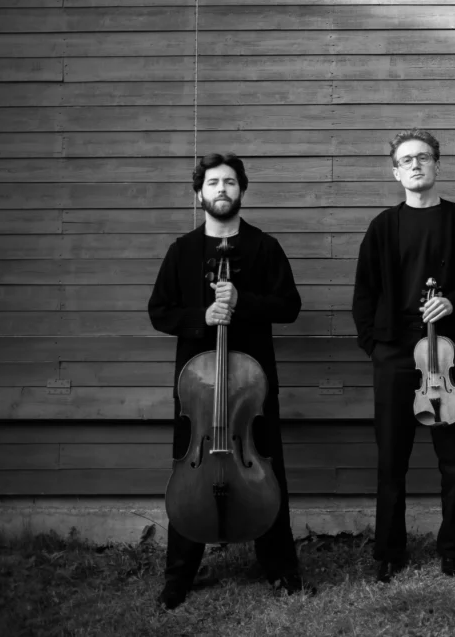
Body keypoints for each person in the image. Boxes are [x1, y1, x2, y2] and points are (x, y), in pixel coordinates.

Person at [148, 153, 306, 609]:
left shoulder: (264, 247)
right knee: (187, 476)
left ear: (242, 191)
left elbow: (289, 306)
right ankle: (178, 576)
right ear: (199, 193)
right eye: (213, 182)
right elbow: (159, 311)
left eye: (230, 182)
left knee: (267, 471)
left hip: (249, 391)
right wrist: (202, 317)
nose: (222, 189)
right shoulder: (182, 250)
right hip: (196, 391)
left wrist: (243, 301)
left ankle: (281, 569)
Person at [351, 129, 455, 582]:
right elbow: (363, 296)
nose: (416, 165)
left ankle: (454, 549)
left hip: (446, 357)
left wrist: (452, 302)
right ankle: (389, 552)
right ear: (395, 171)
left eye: (424, 157)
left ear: (438, 165)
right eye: (406, 160)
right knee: (392, 459)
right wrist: (376, 349)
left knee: (453, 458)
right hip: (395, 356)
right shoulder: (383, 227)